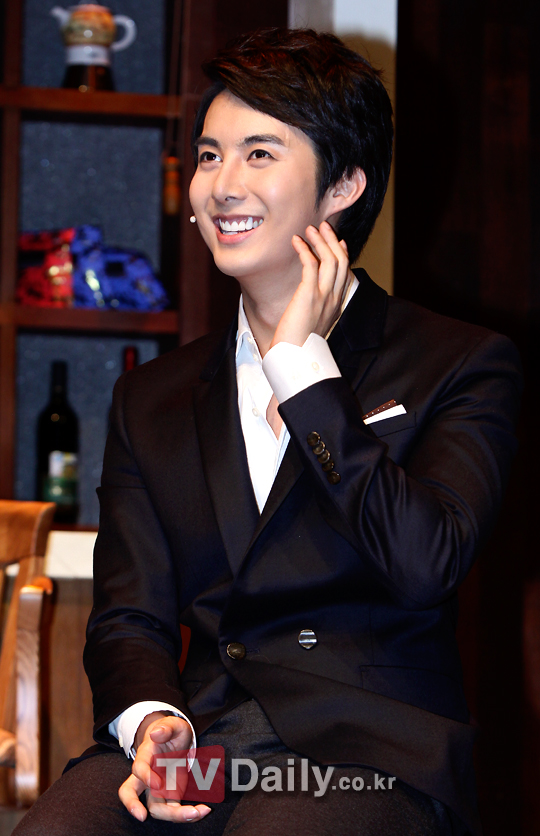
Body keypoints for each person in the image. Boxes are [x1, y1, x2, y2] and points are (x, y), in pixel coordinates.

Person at [15, 27, 522, 836]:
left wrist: (304, 378)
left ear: (344, 185)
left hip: (371, 752)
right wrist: (151, 719)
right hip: (202, 743)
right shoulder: (152, 398)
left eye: (259, 154)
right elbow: (129, 616)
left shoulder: (459, 363)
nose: (222, 185)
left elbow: (425, 563)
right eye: (209, 156)